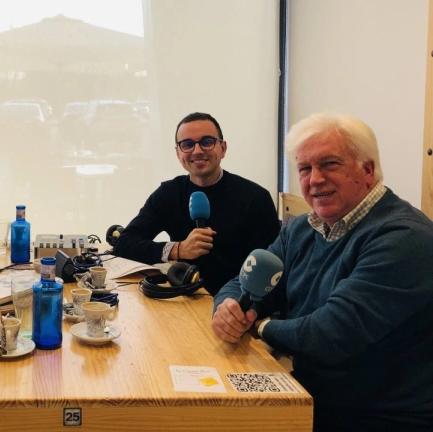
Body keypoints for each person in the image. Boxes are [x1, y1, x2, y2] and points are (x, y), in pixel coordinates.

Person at [211, 113, 433, 431]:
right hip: (311, 398)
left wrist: (258, 327)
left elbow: (329, 335)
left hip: (381, 417)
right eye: (305, 168)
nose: (315, 179)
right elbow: (245, 282)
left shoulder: (404, 238)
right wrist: (229, 309)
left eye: (329, 164)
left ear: (368, 170)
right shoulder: (303, 227)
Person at [114, 112, 280, 295]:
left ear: (223, 148)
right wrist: (177, 249)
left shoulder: (256, 198)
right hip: (184, 298)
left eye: (207, 142)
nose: (197, 151)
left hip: (235, 301)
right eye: (187, 145)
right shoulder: (168, 193)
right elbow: (124, 243)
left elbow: (268, 271)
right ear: (178, 153)